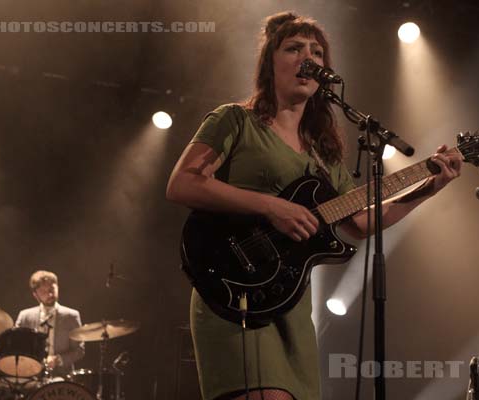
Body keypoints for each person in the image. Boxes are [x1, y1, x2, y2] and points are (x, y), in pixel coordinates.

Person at [166, 11, 463, 400]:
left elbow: (360, 221)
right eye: (294, 48)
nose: (309, 59)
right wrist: (272, 207)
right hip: (233, 288)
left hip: (289, 300)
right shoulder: (234, 120)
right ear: (269, 63)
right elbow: (182, 183)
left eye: (317, 52)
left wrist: (429, 186)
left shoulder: (324, 155)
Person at [0, 270, 84, 399]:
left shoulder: (71, 316)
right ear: (35, 295)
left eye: (52, 289)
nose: (50, 293)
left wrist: (58, 360)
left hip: (58, 374)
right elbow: (14, 346)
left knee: (55, 390)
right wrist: (1, 354)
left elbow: (79, 350)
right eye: (44, 291)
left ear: (57, 287)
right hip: (27, 375)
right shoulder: (25, 316)